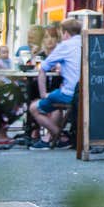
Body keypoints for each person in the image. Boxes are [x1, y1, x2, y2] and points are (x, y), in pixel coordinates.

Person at [27, 18, 82, 150]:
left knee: (34, 107)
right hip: (91, 93)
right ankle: (60, 137)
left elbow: (43, 69)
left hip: (71, 94)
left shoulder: (64, 46)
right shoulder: (88, 42)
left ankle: (58, 135)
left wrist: (43, 94)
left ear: (65, 33)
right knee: (57, 101)